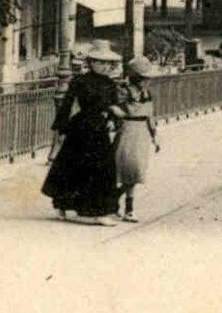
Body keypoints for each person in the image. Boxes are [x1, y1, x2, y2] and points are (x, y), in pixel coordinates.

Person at [42, 41, 123, 225]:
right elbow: (68, 103)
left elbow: (114, 105)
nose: (105, 66)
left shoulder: (110, 84)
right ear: (92, 62)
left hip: (100, 128)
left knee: (102, 168)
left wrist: (113, 120)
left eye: (108, 63)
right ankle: (63, 205)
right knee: (73, 166)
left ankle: (99, 210)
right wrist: (61, 128)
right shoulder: (80, 81)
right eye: (101, 62)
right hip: (81, 127)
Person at [114, 57, 161, 222]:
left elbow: (150, 114)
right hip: (128, 128)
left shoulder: (147, 93)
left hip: (142, 133)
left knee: (137, 171)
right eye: (143, 78)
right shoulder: (123, 90)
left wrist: (155, 135)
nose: (145, 81)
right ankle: (116, 202)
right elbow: (117, 109)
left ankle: (127, 208)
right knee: (127, 168)